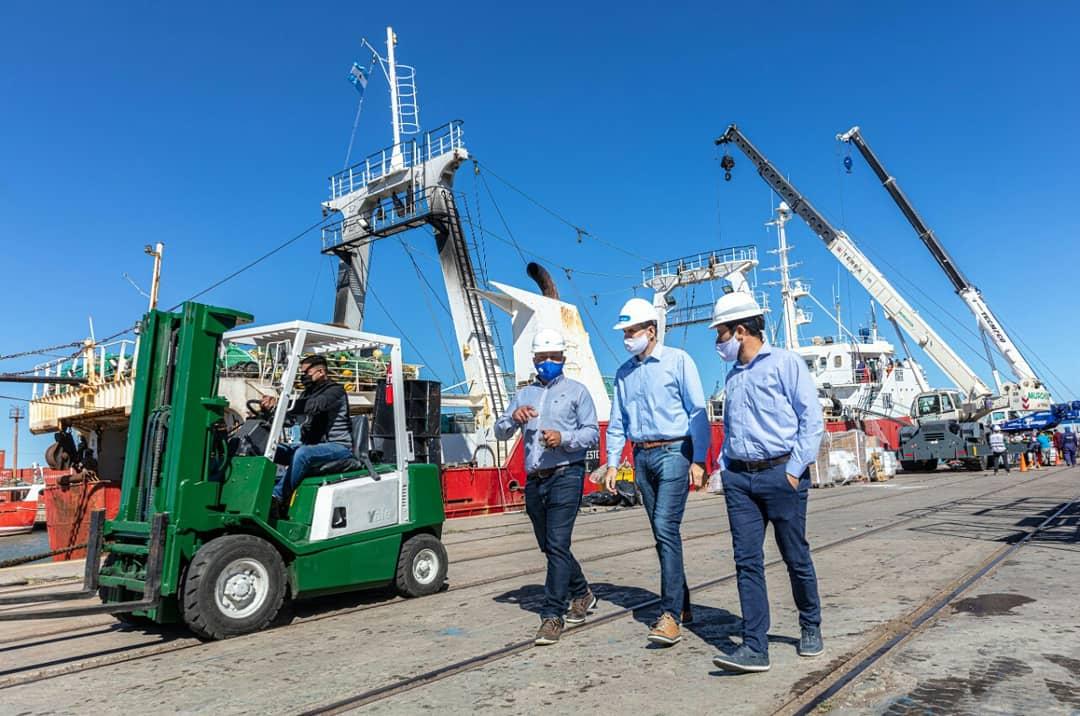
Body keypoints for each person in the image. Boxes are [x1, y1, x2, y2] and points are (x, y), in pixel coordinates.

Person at [709, 292, 825, 674]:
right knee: (746, 562)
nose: (717, 343)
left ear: (741, 330)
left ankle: (810, 624)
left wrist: (793, 470)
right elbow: (732, 429)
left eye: (720, 333)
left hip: (781, 474)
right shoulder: (733, 377)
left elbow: (812, 420)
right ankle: (755, 646)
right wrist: (724, 467)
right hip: (740, 479)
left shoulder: (786, 364)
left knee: (795, 556)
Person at [604, 297, 710, 647]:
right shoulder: (623, 374)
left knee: (666, 527)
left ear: (651, 331)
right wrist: (611, 460)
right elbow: (617, 422)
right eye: (624, 332)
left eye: (632, 330)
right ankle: (683, 601)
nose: (626, 337)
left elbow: (697, 411)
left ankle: (669, 615)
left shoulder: (679, 362)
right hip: (642, 458)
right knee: (661, 533)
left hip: (675, 451)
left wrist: (699, 460)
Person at [494, 328, 600, 646]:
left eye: (554, 357)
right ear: (535, 360)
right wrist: (513, 418)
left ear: (563, 359)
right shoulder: (524, 394)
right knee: (550, 546)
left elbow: (592, 433)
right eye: (543, 358)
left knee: (556, 543)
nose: (548, 362)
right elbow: (499, 430)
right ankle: (582, 592)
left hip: (567, 473)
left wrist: (563, 438)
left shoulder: (578, 392)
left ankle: (552, 615)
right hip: (535, 479)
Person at [261, 354, 353, 511]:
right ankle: (258, 489)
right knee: (271, 449)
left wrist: (281, 403)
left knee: (303, 453)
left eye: (306, 373)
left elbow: (315, 406)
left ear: (321, 371)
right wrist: (270, 411)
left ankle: (277, 498)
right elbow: (290, 418)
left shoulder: (335, 391)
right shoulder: (307, 393)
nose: (303, 377)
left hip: (338, 447)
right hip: (311, 446)